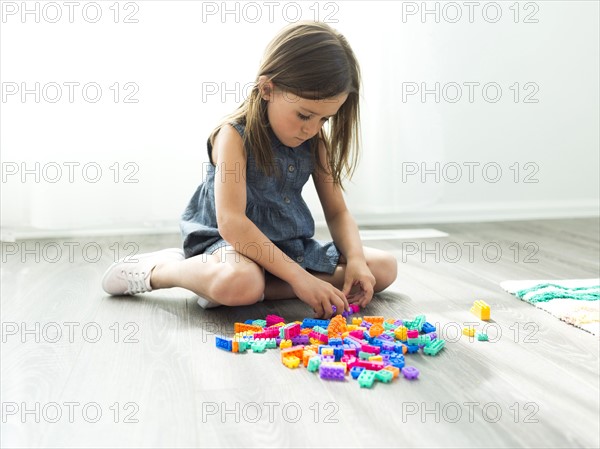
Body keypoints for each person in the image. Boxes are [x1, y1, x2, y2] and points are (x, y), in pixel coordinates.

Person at [102, 21, 398, 319]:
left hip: (287, 248)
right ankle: (164, 270)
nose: (311, 129)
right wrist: (300, 278)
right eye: (304, 115)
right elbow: (231, 223)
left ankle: (257, 286)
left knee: (382, 268)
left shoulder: (315, 140)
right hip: (228, 244)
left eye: (324, 120)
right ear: (267, 88)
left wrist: (356, 259)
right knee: (241, 282)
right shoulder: (233, 136)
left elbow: (337, 213)